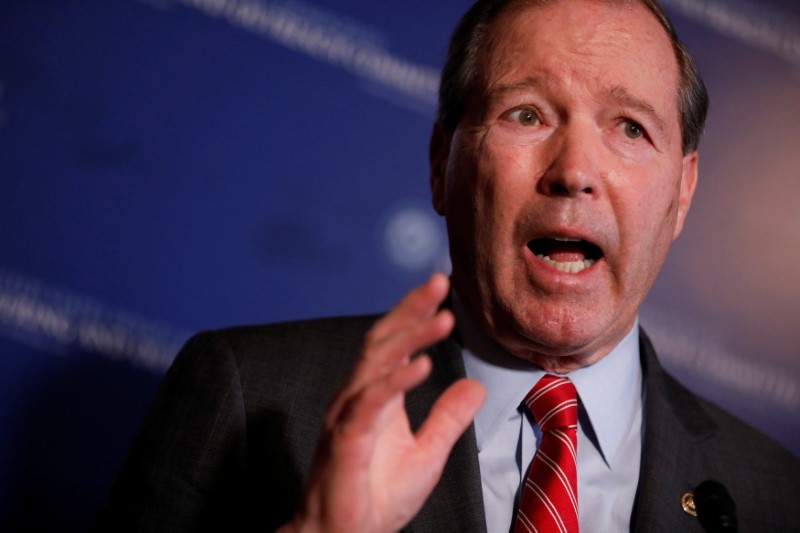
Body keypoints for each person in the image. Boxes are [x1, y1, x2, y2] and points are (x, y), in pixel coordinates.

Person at [97, 0, 800, 531]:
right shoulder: (246, 393)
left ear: (681, 194)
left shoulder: (772, 488)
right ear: (441, 163)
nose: (576, 171)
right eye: (526, 114)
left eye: (630, 127)